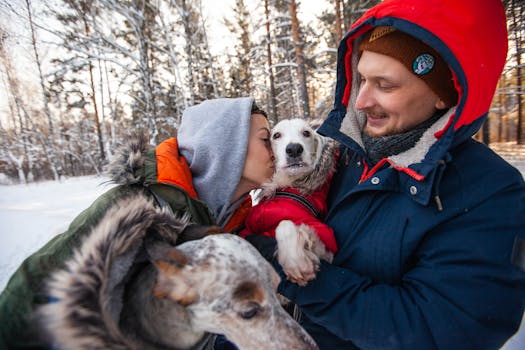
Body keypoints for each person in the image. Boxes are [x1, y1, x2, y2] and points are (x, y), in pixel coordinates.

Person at [245, 0, 525, 349]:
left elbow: (434, 330)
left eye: (385, 85)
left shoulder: (489, 193)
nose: (360, 101)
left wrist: (291, 270)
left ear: (443, 93)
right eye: (361, 78)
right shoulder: (345, 155)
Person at [0, 97, 275, 349]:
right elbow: (37, 283)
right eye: (266, 139)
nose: (277, 148)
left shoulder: (237, 221)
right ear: (227, 147)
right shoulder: (135, 207)